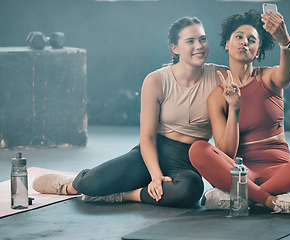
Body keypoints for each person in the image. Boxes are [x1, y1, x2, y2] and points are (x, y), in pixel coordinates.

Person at [33, 17, 228, 208]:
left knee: (189, 191)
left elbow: (248, 73)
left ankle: (124, 195)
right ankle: (71, 184)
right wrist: (156, 175)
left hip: (189, 160)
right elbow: (147, 138)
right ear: (174, 48)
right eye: (190, 41)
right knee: (92, 184)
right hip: (153, 152)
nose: (199, 46)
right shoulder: (156, 80)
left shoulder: (221, 77)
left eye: (202, 39)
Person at [189, 9, 290, 215]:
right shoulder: (216, 97)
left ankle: (243, 197)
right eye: (238, 37)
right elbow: (226, 153)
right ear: (227, 44)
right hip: (241, 173)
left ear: (257, 51)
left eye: (251, 39)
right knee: (198, 149)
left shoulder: (268, 77)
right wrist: (234, 108)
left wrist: (285, 43)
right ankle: (274, 201)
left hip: (282, 172)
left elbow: (287, 75)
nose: (244, 42)